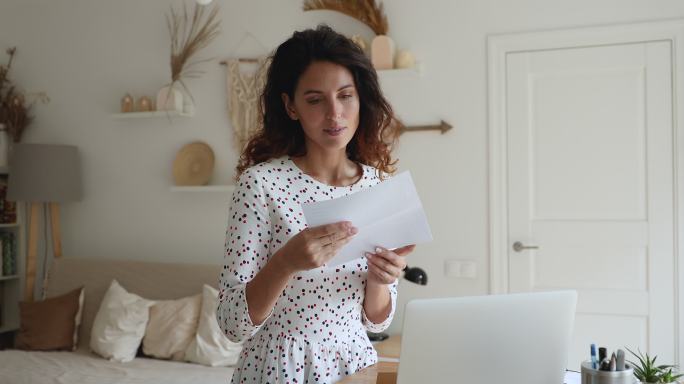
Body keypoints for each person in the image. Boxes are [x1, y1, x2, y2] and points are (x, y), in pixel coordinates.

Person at [217, 24, 416, 384]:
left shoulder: (378, 186)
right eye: (315, 99)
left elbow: (377, 320)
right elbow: (231, 323)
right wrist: (285, 263)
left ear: (361, 99)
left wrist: (379, 279)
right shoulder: (261, 185)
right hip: (279, 368)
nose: (334, 113)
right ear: (290, 106)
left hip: (355, 363)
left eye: (345, 96)